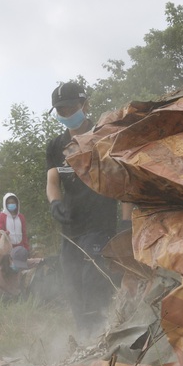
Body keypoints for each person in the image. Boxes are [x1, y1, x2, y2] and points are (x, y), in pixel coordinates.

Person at [45, 81, 129, 338]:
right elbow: (52, 180)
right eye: (60, 110)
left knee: (92, 277)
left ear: (85, 105)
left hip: (99, 223)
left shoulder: (103, 136)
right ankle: (83, 337)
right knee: (71, 282)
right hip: (70, 226)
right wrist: (55, 203)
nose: (66, 114)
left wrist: (126, 223)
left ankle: (100, 333)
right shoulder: (56, 145)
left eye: (71, 108)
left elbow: (123, 179)